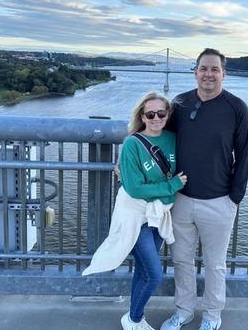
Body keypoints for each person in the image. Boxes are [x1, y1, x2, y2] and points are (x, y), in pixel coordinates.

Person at [160, 48, 248, 330]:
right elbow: (157, 138)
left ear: (224, 73)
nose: (208, 74)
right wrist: (128, 160)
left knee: (215, 264)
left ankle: (212, 315)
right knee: (181, 260)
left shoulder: (237, 108)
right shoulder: (180, 104)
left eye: (214, 69)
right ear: (195, 71)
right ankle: (184, 311)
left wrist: (234, 198)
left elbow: (244, 154)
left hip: (220, 200)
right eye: (203, 68)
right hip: (182, 198)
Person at [83, 91, 187, 330]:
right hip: (137, 216)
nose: (156, 118)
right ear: (142, 115)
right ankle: (134, 318)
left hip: (160, 214)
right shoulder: (132, 143)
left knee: (142, 271)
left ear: (168, 114)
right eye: (150, 114)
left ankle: (133, 317)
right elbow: (135, 188)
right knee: (154, 275)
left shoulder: (174, 138)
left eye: (161, 113)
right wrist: (172, 185)